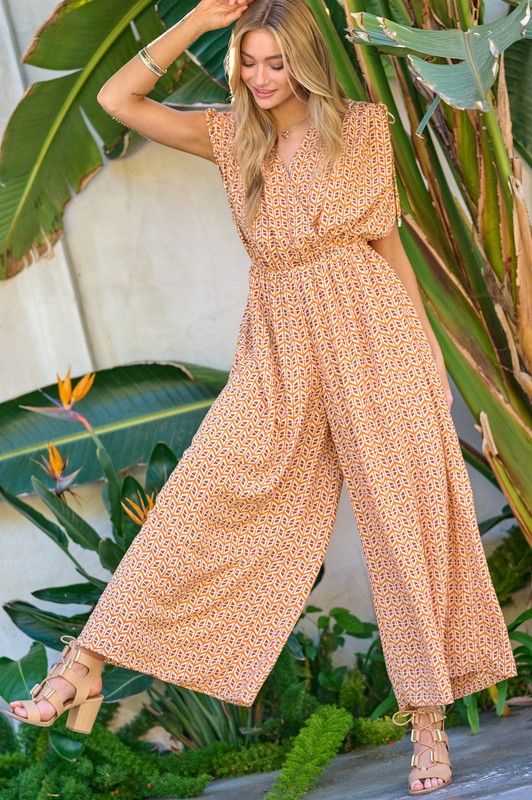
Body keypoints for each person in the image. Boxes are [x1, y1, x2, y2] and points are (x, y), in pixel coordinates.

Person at [3, 0, 516, 794]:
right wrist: (196, 19)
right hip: (280, 340)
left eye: (276, 63)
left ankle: (427, 726)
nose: (261, 78)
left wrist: (421, 357)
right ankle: (87, 662)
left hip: (373, 331)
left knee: (404, 524)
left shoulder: (364, 127)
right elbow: (115, 102)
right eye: (248, 61)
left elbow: (389, 248)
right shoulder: (231, 135)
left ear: (305, 60)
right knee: (206, 494)